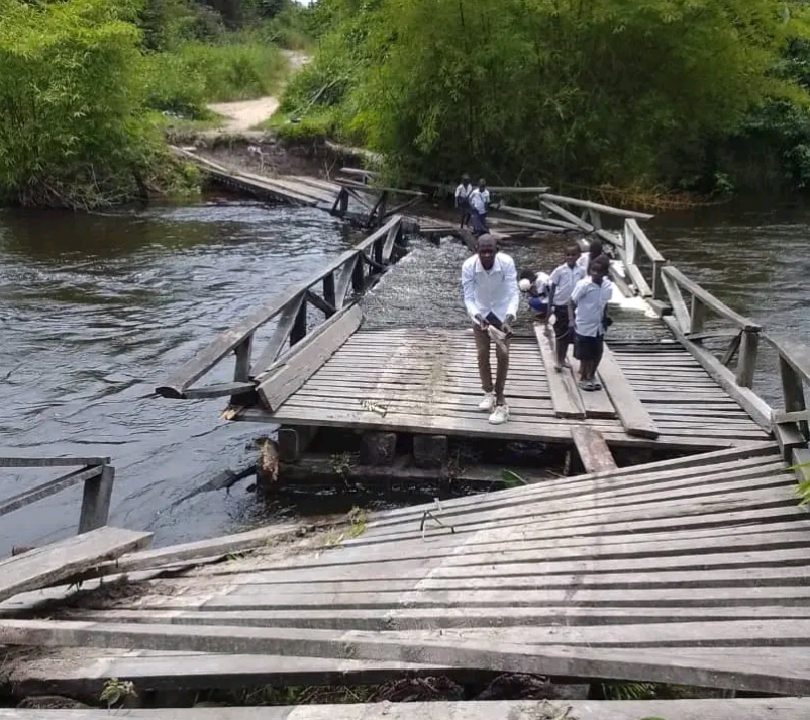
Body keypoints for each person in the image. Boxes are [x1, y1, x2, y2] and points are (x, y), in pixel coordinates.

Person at [461, 234, 519, 425]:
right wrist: (478, 316)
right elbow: (468, 297)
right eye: (483, 251)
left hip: (502, 313)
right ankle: (488, 392)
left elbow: (513, 292)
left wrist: (509, 319)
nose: (486, 255)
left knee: (503, 354)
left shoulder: (507, 263)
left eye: (490, 251)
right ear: (476, 249)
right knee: (482, 353)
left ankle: (501, 400)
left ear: (497, 251)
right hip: (481, 312)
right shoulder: (469, 266)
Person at [568, 254, 612, 391]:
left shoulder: (607, 286)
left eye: (598, 271)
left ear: (604, 273)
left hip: (598, 325)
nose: (595, 274)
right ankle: (584, 378)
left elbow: (604, 303)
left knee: (598, 352)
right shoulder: (584, 285)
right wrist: (571, 320)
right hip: (584, 323)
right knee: (586, 354)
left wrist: (606, 317)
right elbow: (571, 302)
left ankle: (592, 375)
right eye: (593, 270)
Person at [547, 243, 586, 371]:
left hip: (576, 305)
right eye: (567, 255)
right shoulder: (559, 270)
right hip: (560, 305)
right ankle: (558, 360)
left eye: (573, 255)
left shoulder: (581, 271)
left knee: (570, 334)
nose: (570, 257)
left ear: (578, 255)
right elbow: (552, 287)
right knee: (560, 334)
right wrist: (550, 305)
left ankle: (563, 359)